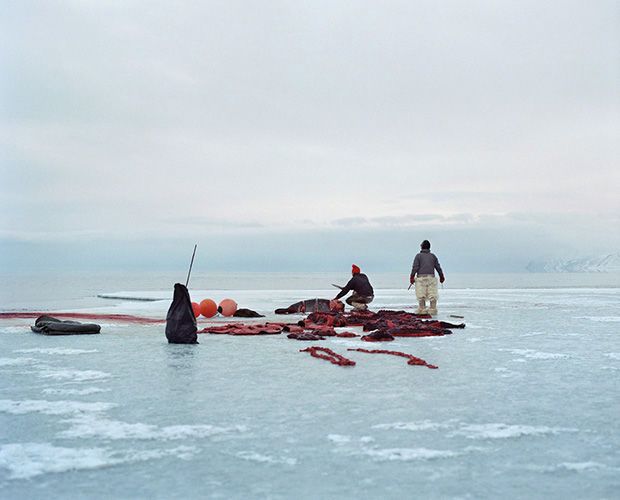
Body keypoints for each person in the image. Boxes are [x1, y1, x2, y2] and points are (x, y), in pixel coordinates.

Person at [410, 240, 445, 315]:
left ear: (422, 246)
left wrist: (412, 277)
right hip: (431, 278)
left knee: (421, 295)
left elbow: (415, 267)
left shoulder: (418, 256)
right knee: (433, 295)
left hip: (421, 278)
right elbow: (438, 267)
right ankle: (433, 309)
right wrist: (441, 276)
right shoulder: (433, 256)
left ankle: (422, 310)